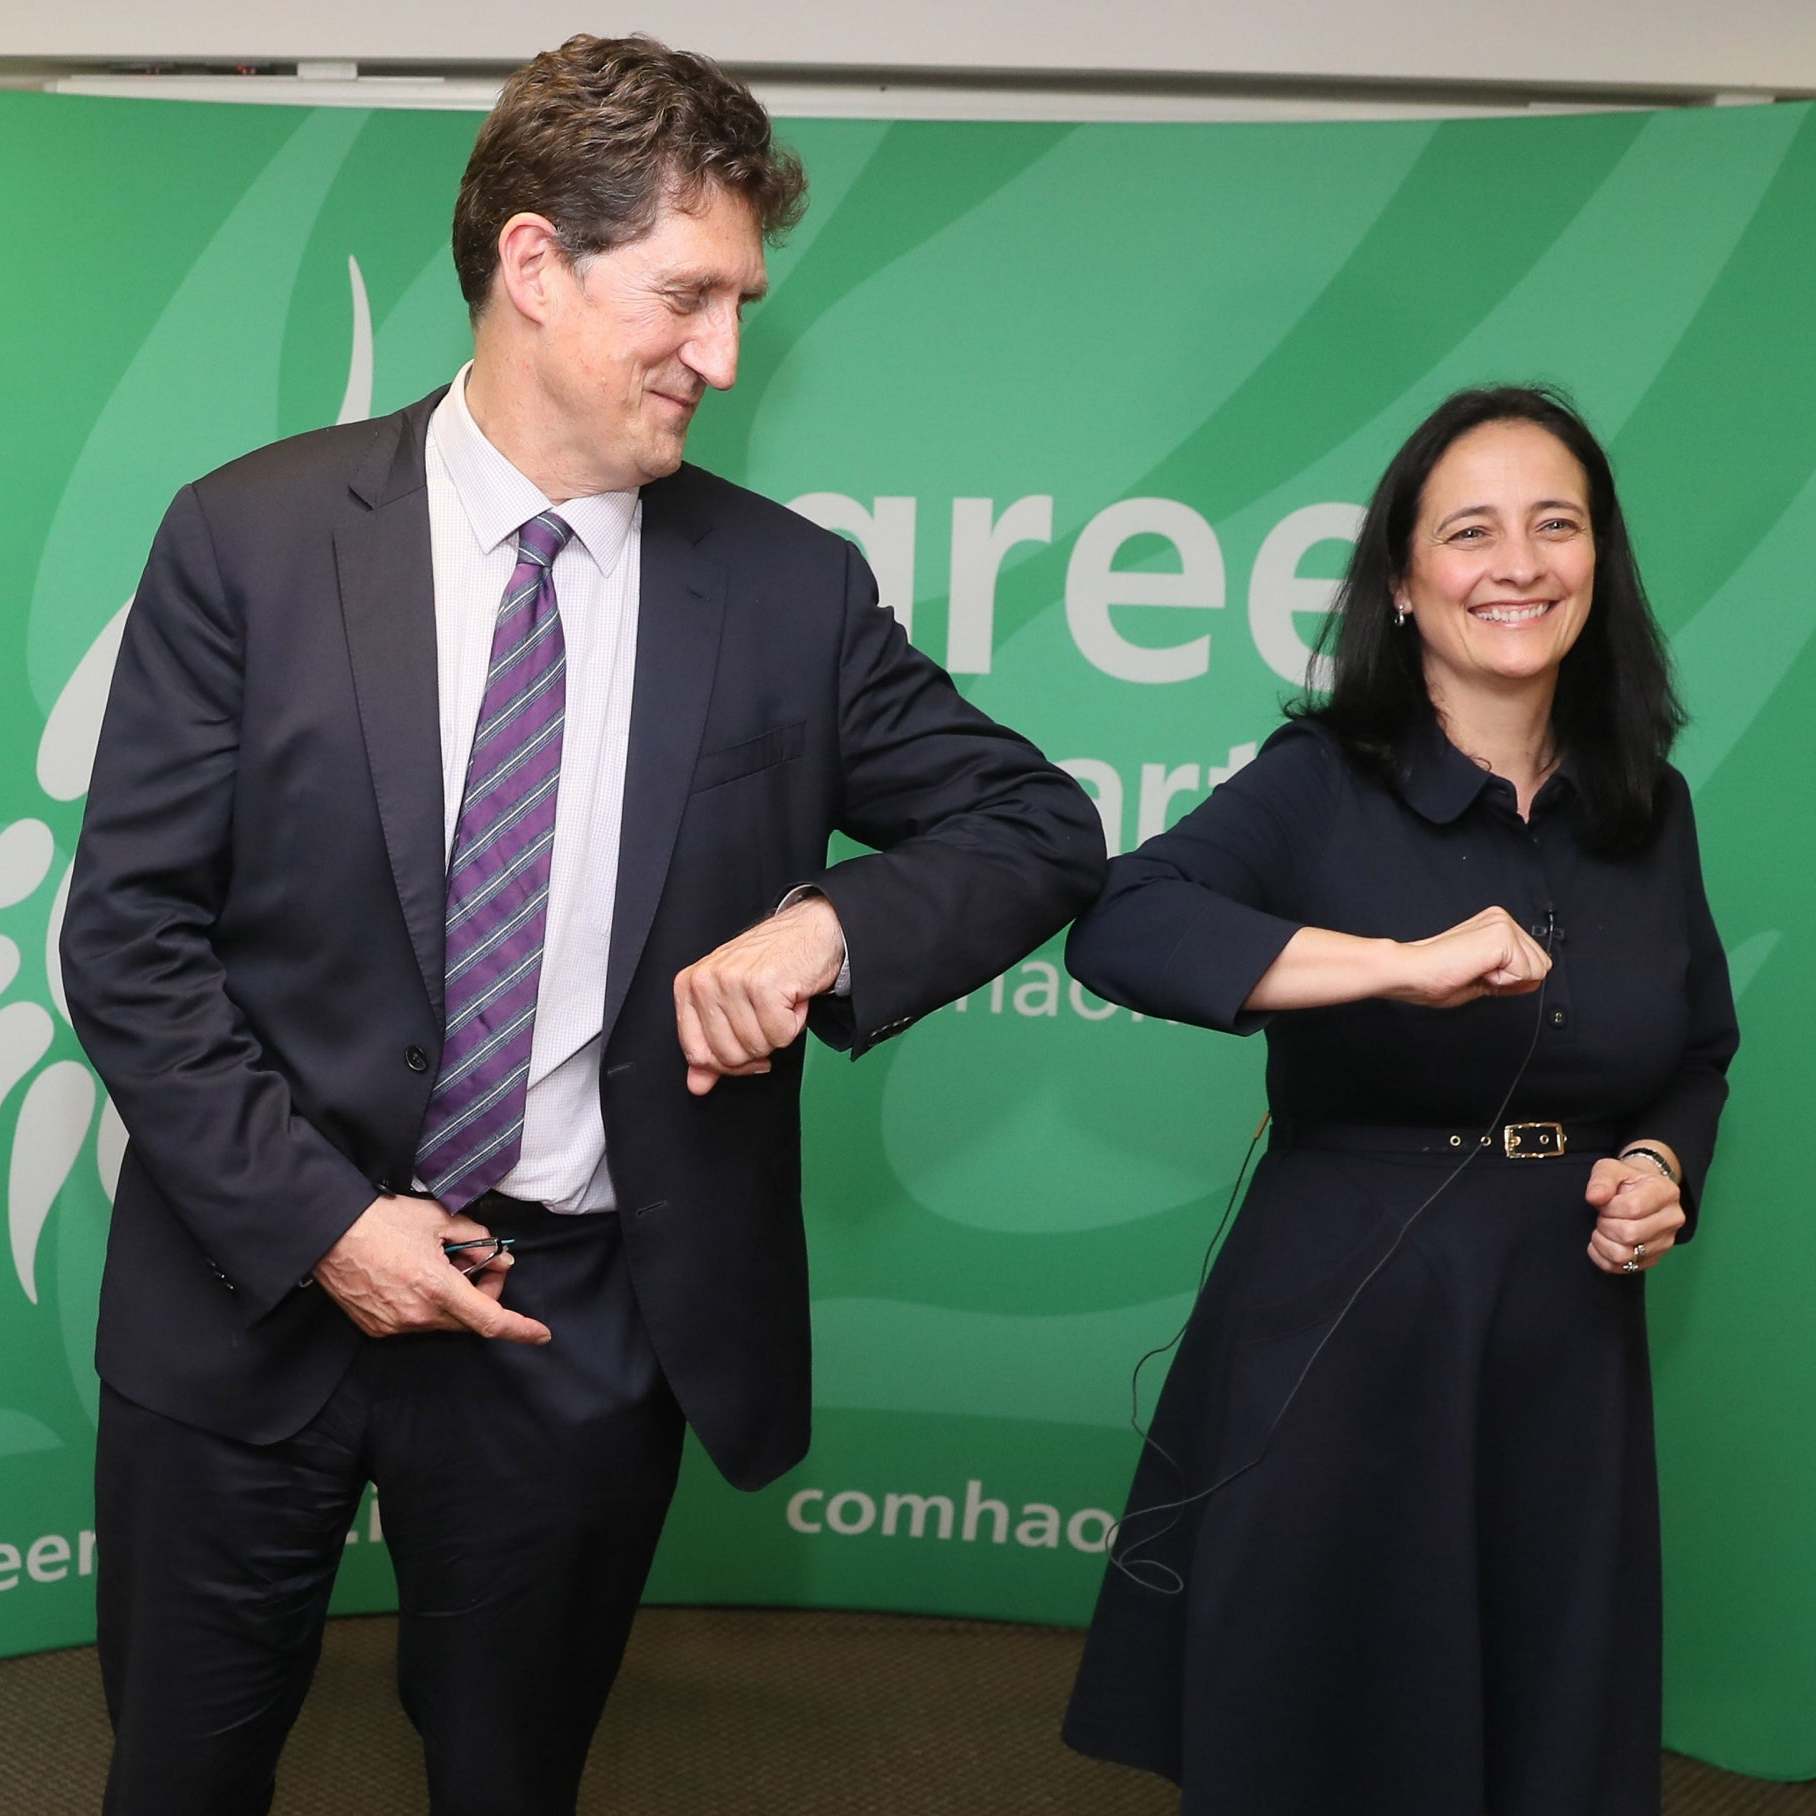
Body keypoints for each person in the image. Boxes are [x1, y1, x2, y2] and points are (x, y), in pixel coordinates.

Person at [60, 34, 1103, 1815]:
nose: (725, 353)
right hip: (251, 1298)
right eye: (688, 296)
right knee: (183, 1771)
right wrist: (329, 1223)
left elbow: (1039, 826)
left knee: (510, 1777)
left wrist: (826, 930)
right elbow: (133, 938)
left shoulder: (787, 589)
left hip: (579, 1328)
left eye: (745, 302)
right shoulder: (251, 537)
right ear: (534, 263)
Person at [1060, 385, 1736, 1814]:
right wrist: (1393, 966)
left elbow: (1698, 1049)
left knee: (1544, 1722)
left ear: (1599, 563)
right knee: (1333, 1734)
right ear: (1406, 582)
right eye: (1471, 530)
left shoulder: (1648, 804)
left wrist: (1663, 1165)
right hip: (1347, 1326)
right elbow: (1123, 922)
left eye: (1557, 526)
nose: (1519, 563)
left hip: (1564, 1337)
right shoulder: (1321, 781)